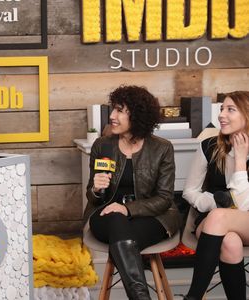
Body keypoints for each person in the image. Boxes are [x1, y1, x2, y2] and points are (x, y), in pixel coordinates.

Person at [84, 85, 181, 300]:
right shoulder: (102, 146)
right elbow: (91, 197)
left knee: (122, 238)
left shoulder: (162, 148)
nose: (112, 116)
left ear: (137, 115)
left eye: (119, 110)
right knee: (117, 222)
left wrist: (126, 209)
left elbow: (164, 199)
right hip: (105, 216)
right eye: (113, 109)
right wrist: (96, 189)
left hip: (152, 217)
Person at [183, 91, 249, 300]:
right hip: (213, 220)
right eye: (221, 109)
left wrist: (240, 161)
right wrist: (212, 202)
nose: (221, 115)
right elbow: (190, 192)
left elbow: (244, 206)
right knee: (230, 242)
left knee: (220, 216)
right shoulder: (208, 146)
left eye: (230, 110)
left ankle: (193, 297)